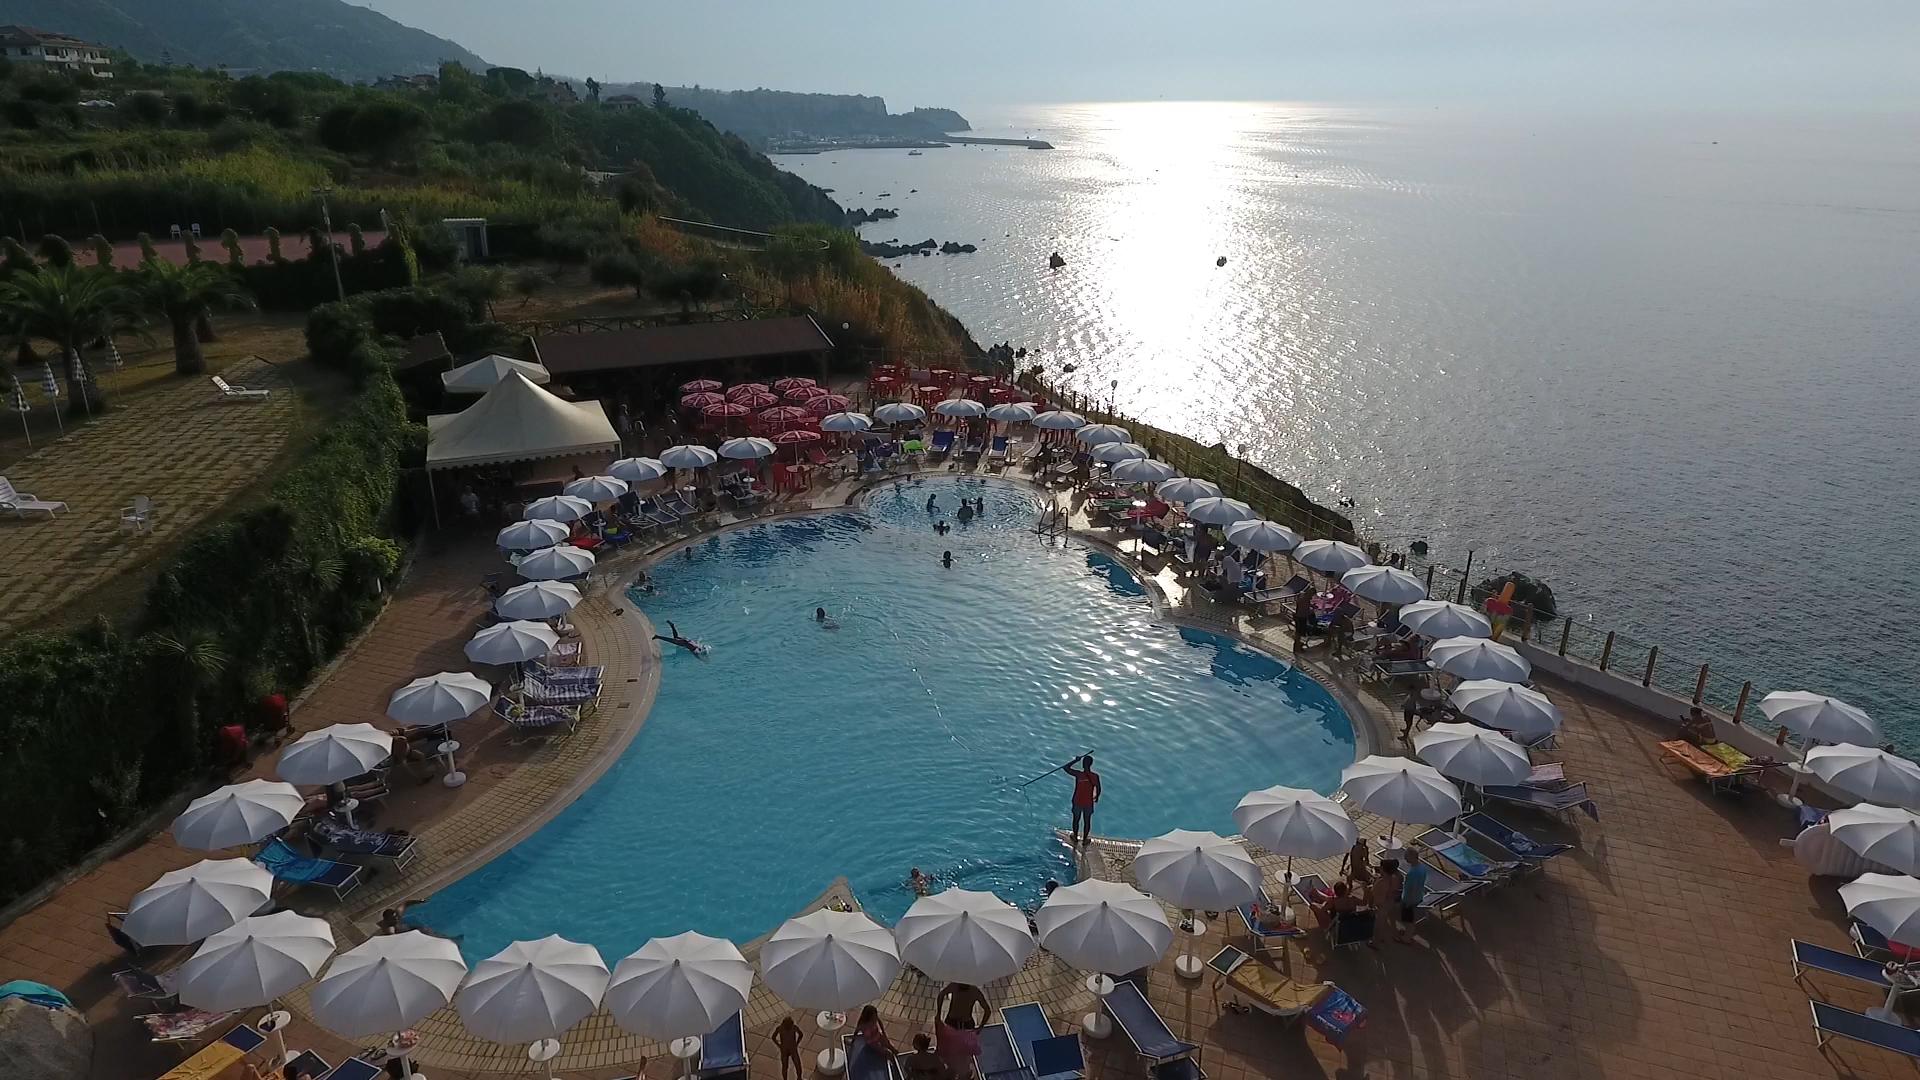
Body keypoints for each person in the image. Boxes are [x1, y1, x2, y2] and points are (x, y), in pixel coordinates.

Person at [1063, 755, 1101, 845]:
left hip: (1077, 801)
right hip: (1088, 802)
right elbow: (1098, 788)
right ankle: (1084, 840)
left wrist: (1075, 760)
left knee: (1076, 819)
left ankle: (1075, 837)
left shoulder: (1078, 774)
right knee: (1087, 821)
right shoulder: (1095, 776)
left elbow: (1066, 768)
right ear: (1091, 764)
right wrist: (1096, 797)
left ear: (1083, 764)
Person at [1370, 858, 1404, 946]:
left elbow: (1376, 895)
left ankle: (1375, 943)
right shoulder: (1394, 878)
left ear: (1383, 869)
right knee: (1387, 920)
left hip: (1382, 905)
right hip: (1390, 903)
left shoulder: (1382, 882)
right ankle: (1391, 935)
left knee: (1379, 925)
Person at [1398, 854, 1430, 943]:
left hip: (1409, 899)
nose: (1405, 859)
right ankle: (1407, 933)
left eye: (1407, 857)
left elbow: (1412, 888)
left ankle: (1406, 938)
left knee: (1408, 920)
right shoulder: (1422, 867)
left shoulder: (1412, 873)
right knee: (1409, 918)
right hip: (1418, 895)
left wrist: (1408, 901)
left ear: (1412, 857)